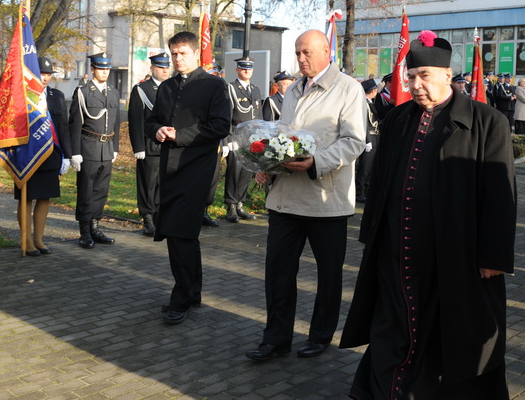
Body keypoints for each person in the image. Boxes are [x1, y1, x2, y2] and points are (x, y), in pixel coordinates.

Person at [340, 29, 516, 400]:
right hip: (397, 252)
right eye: (411, 77)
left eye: (424, 76)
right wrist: (371, 233)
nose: (416, 85)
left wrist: (494, 255)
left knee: (453, 333)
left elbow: (500, 195)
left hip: (456, 255)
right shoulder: (397, 119)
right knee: (394, 325)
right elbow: (380, 180)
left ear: (447, 75)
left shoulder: (488, 122)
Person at [245, 29, 366, 361]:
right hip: (285, 198)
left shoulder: (348, 89)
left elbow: (354, 142)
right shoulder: (293, 90)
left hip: (326, 200)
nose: (300, 59)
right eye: (297, 53)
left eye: (306, 52)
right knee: (278, 273)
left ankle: (320, 335)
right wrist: (269, 165)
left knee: (328, 276)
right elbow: (285, 138)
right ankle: (276, 338)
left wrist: (317, 162)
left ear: (326, 51)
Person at [145, 31, 231, 325]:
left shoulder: (214, 85)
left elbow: (220, 126)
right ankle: (192, 292)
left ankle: (180, 298)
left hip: (196, 170)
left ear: (196, 54)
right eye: (174, 54)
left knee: (180, 233)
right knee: (182, 235)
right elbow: (151, 121)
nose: (177, 59)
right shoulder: (166, 87)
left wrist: (179, 135)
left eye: (183, 53)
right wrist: (157, 130)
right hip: (169, 169)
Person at [14, 57, 72, 256]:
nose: (45, 78)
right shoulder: (22, 96)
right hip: (28, 155)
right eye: (42, 74)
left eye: (48, 74)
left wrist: (67, 155)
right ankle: (27, 240)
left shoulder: (56, 96)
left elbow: (63, 127)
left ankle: (39, 239)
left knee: (45, 197)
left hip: (51, 154)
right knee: (27, 198)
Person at [69, 52, 121, 248]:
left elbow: (116, 122)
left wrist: (115, 148)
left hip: (106, 148)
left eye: (107, 69)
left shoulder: (113, 92)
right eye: (101, 68)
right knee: (86, 191)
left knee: (101, 191)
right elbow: (74, 124)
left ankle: (95, 227)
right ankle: (84, 231)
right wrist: (75, 152)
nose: (105, 72)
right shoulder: (82, 92)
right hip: (88, 147)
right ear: (92, 69)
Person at [128, 52, 171, 237]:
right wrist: (138, 147)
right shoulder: (142, 90)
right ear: (152, 68)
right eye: (161, 67)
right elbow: (135, 120)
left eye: (167, 67)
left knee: (164, 184)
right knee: (148, 184)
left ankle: (160, 215)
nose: (165, 70)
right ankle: (148, 217)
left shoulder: (172, 88)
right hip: (149, 146)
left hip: (168, 146)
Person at [223, 58, 263, 223]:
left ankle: (240, 203)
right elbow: (226, 116)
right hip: (237, 135)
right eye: (243, 68)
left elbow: (258, 116)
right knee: (234, 171)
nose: (247, 71)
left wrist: (261, 137)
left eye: (249, 69)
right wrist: (228, 139)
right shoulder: (231, 88)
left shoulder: (255, 90)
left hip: (251, 137)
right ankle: (231, 206)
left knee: (247, 171)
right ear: (237, 70)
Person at [355, 79, 380, 204]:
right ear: (373, 90)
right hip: (368, 138)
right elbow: (363, 123)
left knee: (370, 168)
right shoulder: (363, 104)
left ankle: (366, 189)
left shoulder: (369, 102)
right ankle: (359, 192)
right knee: (364, 168)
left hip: (375, 137)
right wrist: (367, 140)